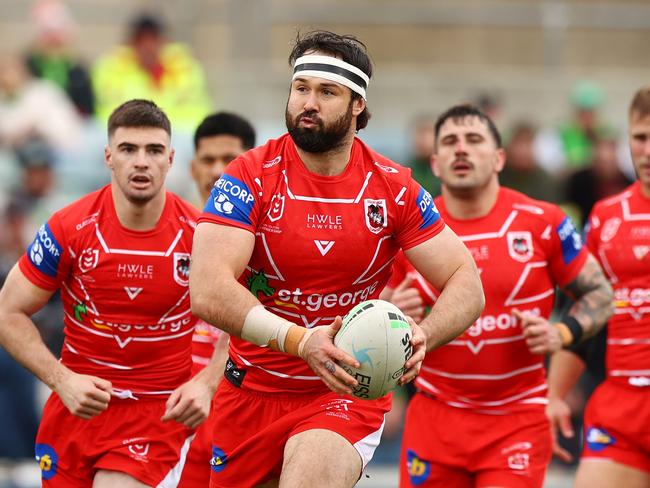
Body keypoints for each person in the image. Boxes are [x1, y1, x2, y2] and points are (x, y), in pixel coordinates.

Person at [190, 30, 484, 488]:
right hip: (250, 394)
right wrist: (301, 341)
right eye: (301, 88)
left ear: (357, 105)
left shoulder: (393, 187)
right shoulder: (248, 175)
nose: (309, 102)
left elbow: (466, 279)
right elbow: (207, 289)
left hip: (343, 393)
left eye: (327, 92)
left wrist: (424, 334)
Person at [381, 104, 613, 488]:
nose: (461, 150)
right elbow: (366, 321)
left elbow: (602, 295)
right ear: (435, 163)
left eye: (473, 140)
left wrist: (563, 333)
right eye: (450, 142)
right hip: (435, 418)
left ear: (499, 157)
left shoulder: (543, 221)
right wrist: (390, 313)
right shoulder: (408, 233)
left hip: (516, 418)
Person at [0, 99, 223, 487]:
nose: (141, 161)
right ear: (108, 157)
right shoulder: (68, 228)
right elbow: (8, 312)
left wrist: (205, 384)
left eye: (153, 150)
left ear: (170, 159)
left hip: (155, 416)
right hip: (76, 412)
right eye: (128, 149)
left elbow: (247, 316)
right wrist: (61, 379)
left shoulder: (200, 236)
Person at [547, 86, 650, 487]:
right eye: (641, 138)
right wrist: (555, 396)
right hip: (620, 405)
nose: (648, 150)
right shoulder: (606, 218)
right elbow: (583, 315)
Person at [177, 111, 256, 488]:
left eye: (230, 160)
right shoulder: (169, 237)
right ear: (192, 168)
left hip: (244, 416)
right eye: (208, 160)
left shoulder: (271, 247)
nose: (217, 171)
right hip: (175, 419)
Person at [92, 13, 211, 131]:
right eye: (141, 41)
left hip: (179, 132)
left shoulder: (185, 66)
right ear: (131, 43)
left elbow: (194, 111)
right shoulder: (112, 67)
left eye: (153, 40)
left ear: (164, 41)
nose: (148, 47)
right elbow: (109, 113)